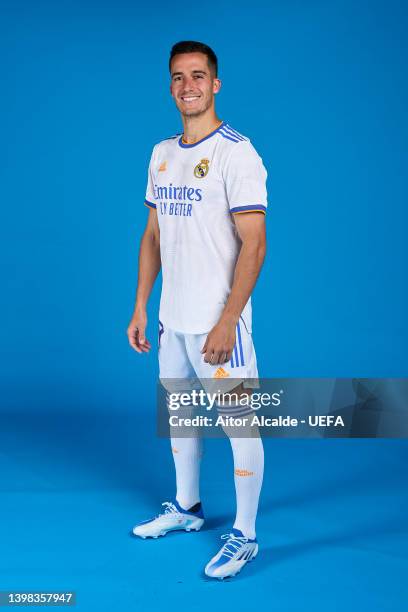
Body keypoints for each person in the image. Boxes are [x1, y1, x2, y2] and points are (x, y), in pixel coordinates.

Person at [127, 41, 268, 579]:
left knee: (238, 424)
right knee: (181, 419)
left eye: (199, 76)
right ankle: (187, 509)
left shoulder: (238, 153)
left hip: (218, 324)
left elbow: (254, 244)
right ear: (171, 86)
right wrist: (142, 305)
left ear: (216, 84)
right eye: (179, 77)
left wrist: (229, 318)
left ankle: (247, 534)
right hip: (172, 321)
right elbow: (153, 235)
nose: (189, 86)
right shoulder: (161, 153)